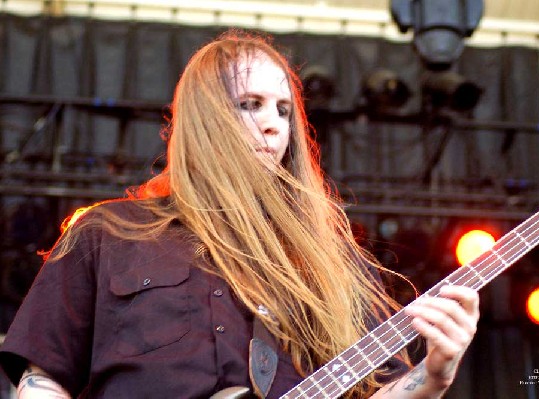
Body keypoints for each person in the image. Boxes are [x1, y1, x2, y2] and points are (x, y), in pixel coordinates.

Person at [0, 30, 479, 398]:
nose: (272, 123)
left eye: (284, 109)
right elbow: (44, 377)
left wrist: (434, 375)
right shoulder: (108, 234)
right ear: (206, 121)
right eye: (250, 104)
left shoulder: (330, 261)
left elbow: (379, 390)